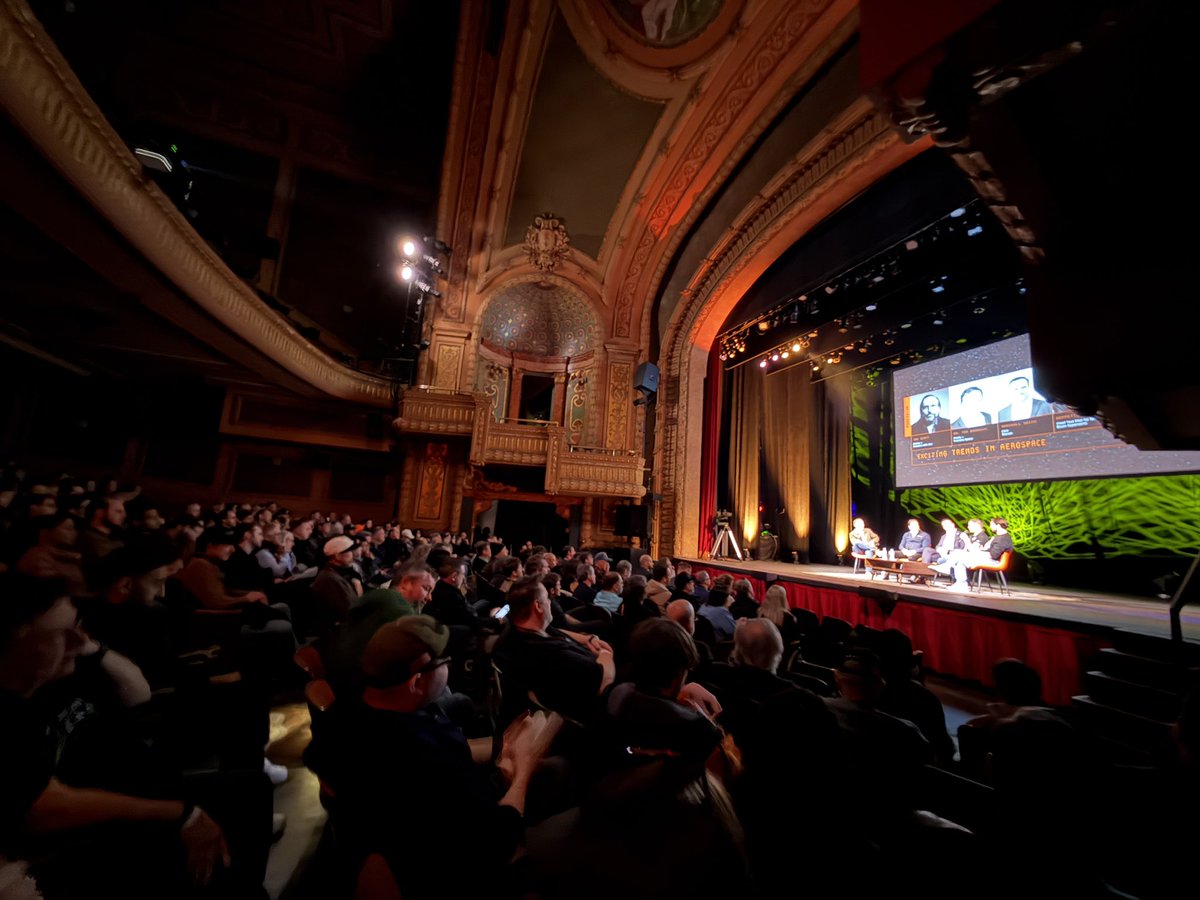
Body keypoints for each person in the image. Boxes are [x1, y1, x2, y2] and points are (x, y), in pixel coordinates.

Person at [933, 517, 1015, 592]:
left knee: (958, 555)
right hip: (987, 558)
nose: (990, 527)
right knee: (959, 558)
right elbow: (988, 549)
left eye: (991, 525)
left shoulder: (1003, 538)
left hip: (993, 562)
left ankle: (947, 568)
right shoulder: (998, 537)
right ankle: (961, 584)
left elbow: (993, 555)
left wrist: (978, 553)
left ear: (997, 525)